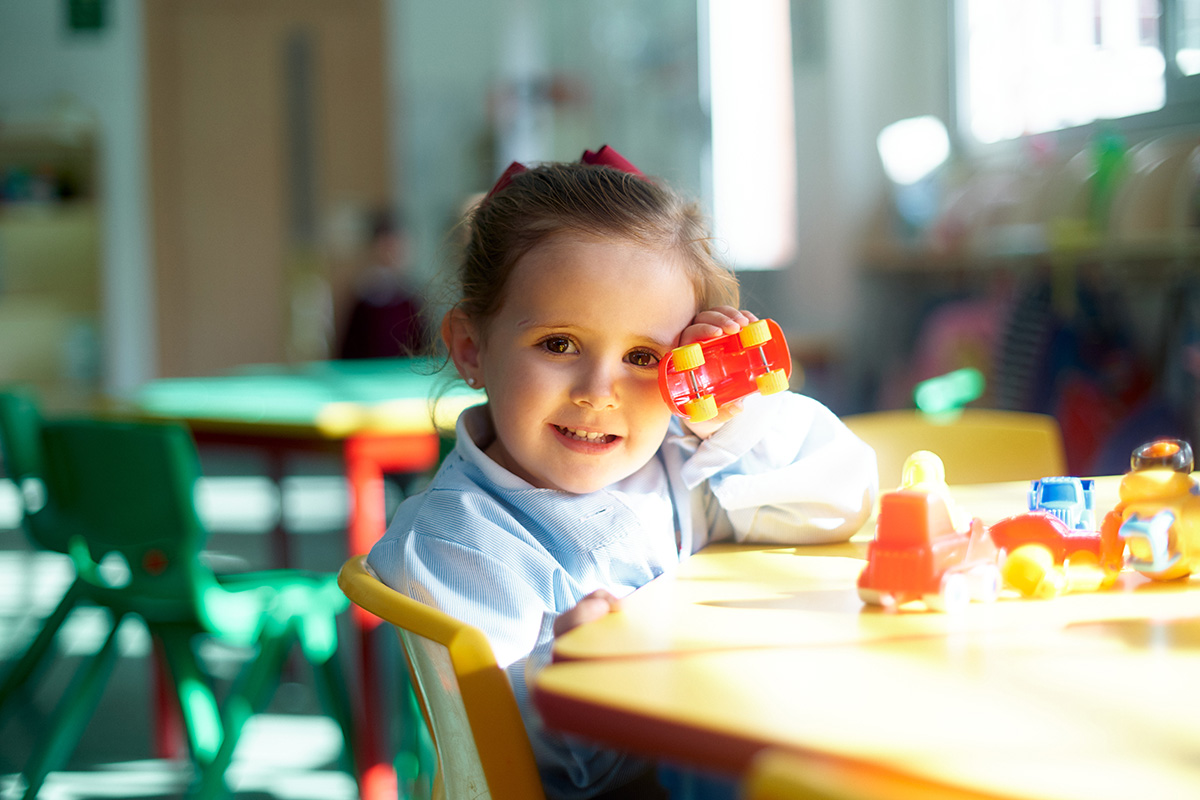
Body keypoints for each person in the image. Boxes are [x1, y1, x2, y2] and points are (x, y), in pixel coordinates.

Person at [367, 145, 878, 799]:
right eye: (559, 344)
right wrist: (575, 670)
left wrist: (733, 420)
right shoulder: (455, 542)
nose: (598, 390)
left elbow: (841, 502)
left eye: (642, 356)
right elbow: (528, 774)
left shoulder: (674, 461)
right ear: (472, 348)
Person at [337, 208, 430, 359]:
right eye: (386, 245)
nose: (391, 251)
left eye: (396, 245)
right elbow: (349, 350)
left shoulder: (412, 297)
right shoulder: (364, 298)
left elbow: (423, 344)